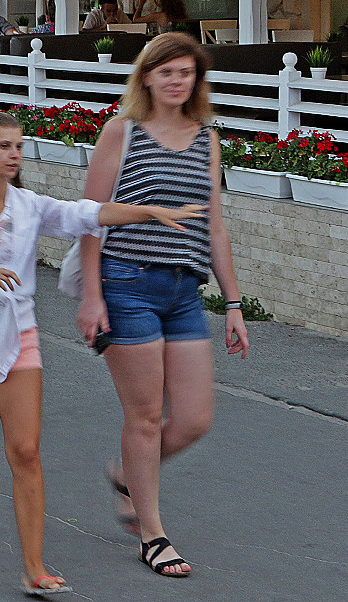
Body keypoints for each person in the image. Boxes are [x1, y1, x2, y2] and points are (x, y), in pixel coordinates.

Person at [0, 111, 203, 596]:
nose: (14, 154)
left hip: (18, 334)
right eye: (4, 146)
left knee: (26, 451)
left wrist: (149, 212)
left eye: (18, 146)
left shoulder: (29, 206)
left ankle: (34, 567)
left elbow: (87, 214)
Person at [75, 33, 251, 579]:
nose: (177, 81)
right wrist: (91, 295)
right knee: (146, 416)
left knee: (194, 418)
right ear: (147, 77)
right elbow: (91, 217)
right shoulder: (122, 132)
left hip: (183, 293)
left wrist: (234, 302)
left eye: (186, 72)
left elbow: (213, 225)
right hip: (127, 284)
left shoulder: (206, 138)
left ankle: (127, 474)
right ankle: (153, 535)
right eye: (167, 71)